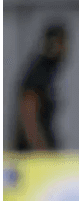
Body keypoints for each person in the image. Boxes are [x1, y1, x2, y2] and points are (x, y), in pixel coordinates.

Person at [14, 24, 67, 152]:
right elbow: (28, 116)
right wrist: (41, 152)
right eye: (62, 43)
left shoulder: (48, 71)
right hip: (34, 157)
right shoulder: (39, 73)